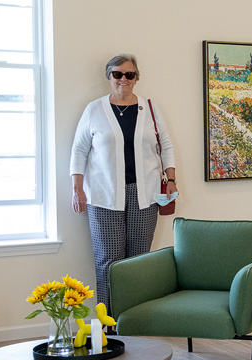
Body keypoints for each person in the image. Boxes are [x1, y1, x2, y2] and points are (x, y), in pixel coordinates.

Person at [70, 54, 177, 308]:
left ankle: (134, 319)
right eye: (117, 74)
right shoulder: (94, 109)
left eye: (129, 75)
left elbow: (167, 145)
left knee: (138, 260)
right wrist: (77, 188)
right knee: (108, 260)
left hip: (145, 195)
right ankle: (109, 322)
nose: (123, 79)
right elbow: (79, 150)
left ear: (136, 78)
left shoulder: (150, 107)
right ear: (109, 77)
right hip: (103, 195)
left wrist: (171, 178)